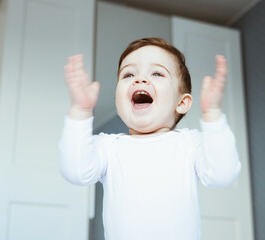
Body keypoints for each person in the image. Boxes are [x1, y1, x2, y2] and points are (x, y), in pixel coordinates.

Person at [59, 38, 241, 240]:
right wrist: (80, 111)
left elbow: (223, 175)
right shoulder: (108, 147)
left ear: (182, 102)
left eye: (157, 73)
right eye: (128, 74)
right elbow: (75, 172)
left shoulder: (189, 143)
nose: (140, 79)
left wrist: (213, 115)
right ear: (117, 101)